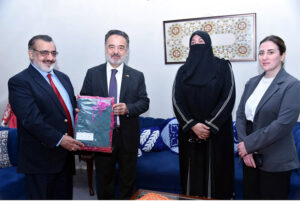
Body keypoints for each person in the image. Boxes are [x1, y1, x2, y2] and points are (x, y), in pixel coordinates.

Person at [8, 35, 84, 199]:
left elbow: (70, 109)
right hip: (40, 160)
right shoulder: (19, 82)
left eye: (53, 53)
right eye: (44, 53)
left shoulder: (63, 78)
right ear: (31, 53)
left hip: (65, 158)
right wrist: (60, 140)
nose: (50, 58)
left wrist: (83, 114)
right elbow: (31, 119)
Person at [80, 29, 149, 199]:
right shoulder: (92, 73)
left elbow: (144, 102)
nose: (116, 52)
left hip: (127, 136)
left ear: (126, 51)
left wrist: (128, 108)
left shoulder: (137, 76)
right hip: (102, 137)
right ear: (105, 48)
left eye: (121, 47)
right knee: (104, 180)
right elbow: (84, 102)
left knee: (128, 180)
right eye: (111, 47)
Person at [172, 30, 236, 199]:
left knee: (218, 176)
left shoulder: (223, 67)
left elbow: (228, 97)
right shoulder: (182, 71)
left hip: (217, 132)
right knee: (191, 175)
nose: (197, 44)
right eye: (193, 42)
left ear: (208, 44)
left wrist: (208, 126)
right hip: (190, 134)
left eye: (201, 41)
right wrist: (192, 125)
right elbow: (176, 101)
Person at [236, 35, 300, 199]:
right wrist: (246, 149)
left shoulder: (292, 85)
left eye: (270, 52)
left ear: (282, 55)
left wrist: (248, 144)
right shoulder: (252, 82)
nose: (264, 57)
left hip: (275, 158)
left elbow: (282, 125)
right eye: (261, 53)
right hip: (249, 158)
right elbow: (241, 115)